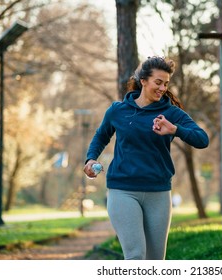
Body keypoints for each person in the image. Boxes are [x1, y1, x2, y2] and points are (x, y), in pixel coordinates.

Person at [83, 56, 209, 260]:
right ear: (143, 81)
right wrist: (90, 159)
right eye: (158, 82)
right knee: (135, 256)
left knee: (155, 260)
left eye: (166, 83)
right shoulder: (118, 110)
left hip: (158, 192)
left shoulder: (171, 113)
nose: (162, 88)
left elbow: (202, 139)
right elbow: (101, 136)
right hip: (123, 191)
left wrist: (174, 129)